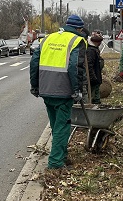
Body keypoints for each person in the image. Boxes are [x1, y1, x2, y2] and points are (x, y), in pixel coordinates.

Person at [29, 14, 87, 171]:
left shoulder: (48, 38)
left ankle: (62, 154)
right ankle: (55, 163)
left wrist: (35, 85)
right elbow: (75, 67)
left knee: (55, 125)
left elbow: (34, 62)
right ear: (79, 29)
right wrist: (77, 90)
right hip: (63, 90)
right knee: (62, 126)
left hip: (46, 89)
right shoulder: (77, 41)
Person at [87, 33, 105, 105]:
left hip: (96, 77)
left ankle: (97, 105)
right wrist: (94, 78)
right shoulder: (91, 51)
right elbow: (89, 65)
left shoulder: (94, 49)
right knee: (94, 96)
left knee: (96, 94)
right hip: (93, 78)